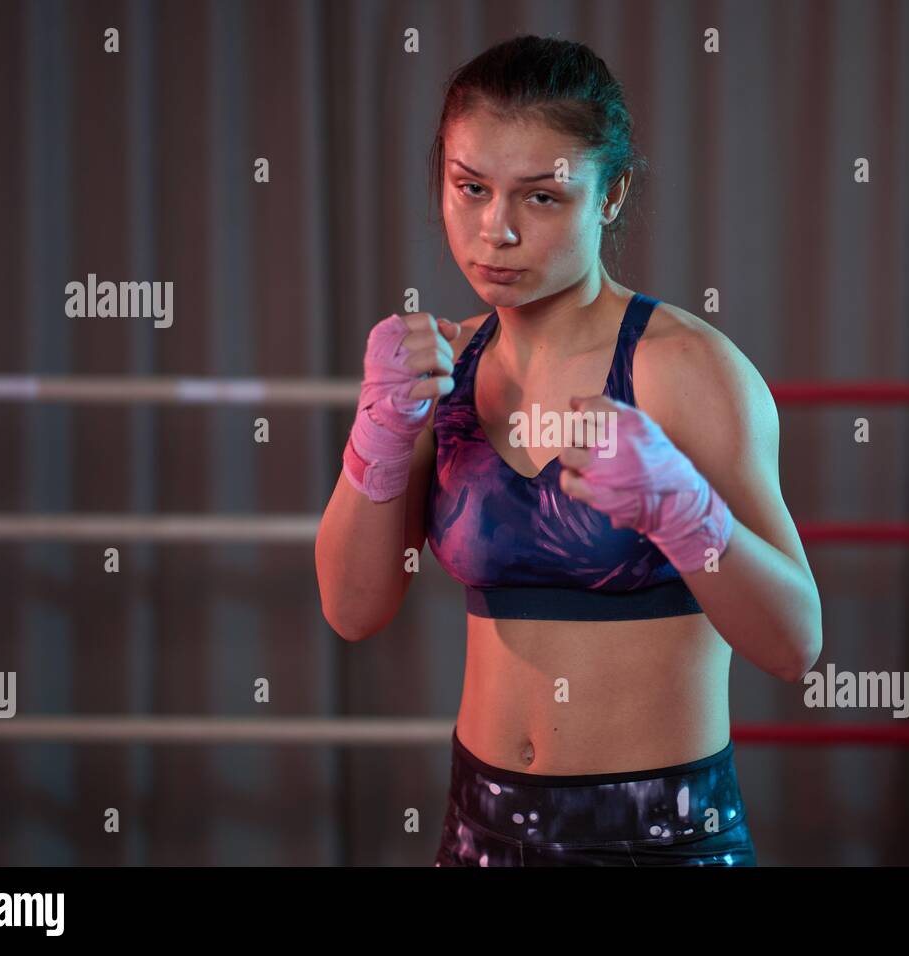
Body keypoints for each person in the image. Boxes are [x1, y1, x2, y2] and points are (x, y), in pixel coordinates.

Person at [315, 35, 822, 866]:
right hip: (477, 829)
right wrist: (378, 434)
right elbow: (352, 609)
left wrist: (682, 512)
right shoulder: (441, 368)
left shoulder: (683, 371)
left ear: (611, 193)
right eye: (469, 187)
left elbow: (795, 643)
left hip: (658, 835)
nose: (496, 229)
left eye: (542, 197)